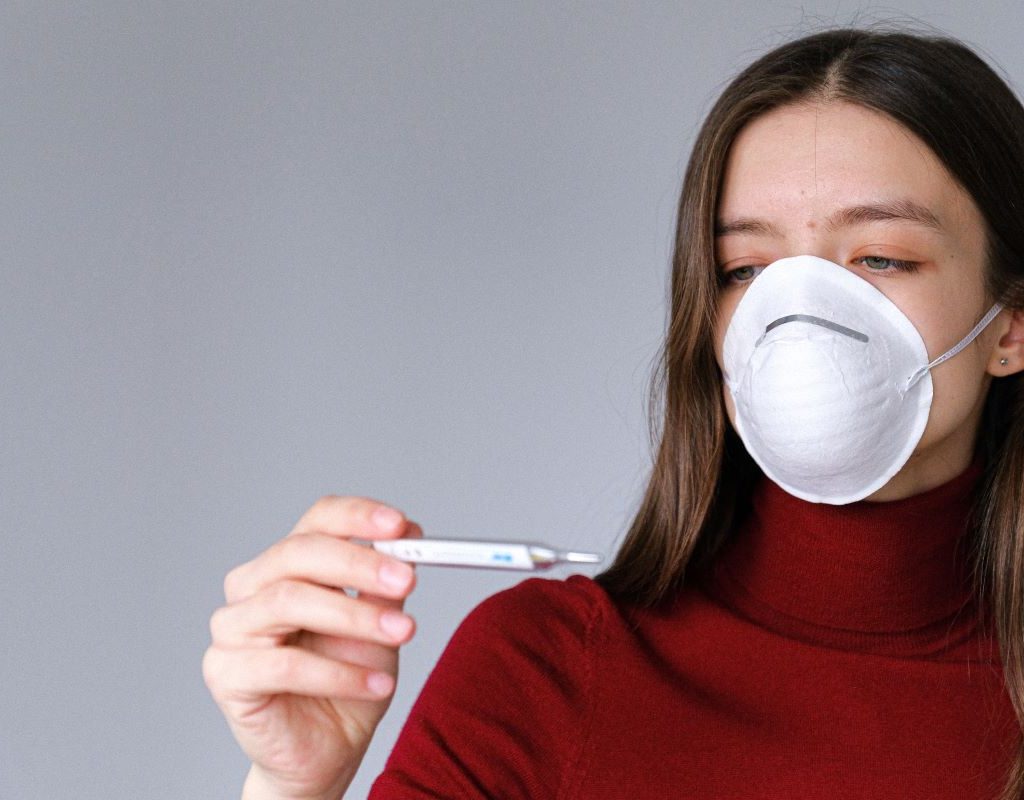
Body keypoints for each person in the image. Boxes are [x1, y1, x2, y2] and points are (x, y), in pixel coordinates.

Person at [203, 25, 1024, 799]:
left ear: (1011, 325)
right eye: (743, 270)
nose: (798, 315)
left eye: (881, 257)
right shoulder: (547, 671)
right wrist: (290, 787)